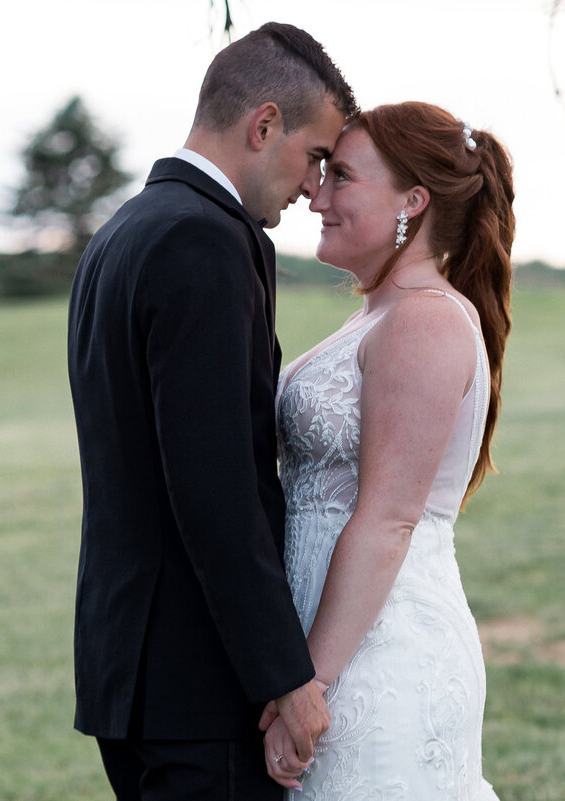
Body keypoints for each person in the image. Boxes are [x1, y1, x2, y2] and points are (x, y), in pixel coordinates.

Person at [66, 22, 358, 801]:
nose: (313, 188)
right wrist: (283, 675)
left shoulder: (122, 232)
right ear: (263, 125)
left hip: (126, 669)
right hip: (199, 683)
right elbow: (216, 487)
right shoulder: (205, 240)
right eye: (315, 158)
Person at [263, 101, 516, 799]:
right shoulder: (379, 312)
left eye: (341, 176)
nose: (316, 193)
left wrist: (307, 682)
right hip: (338, 648)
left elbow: (387, 519)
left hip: (377, 658)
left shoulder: (425, 319)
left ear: (413, 200)